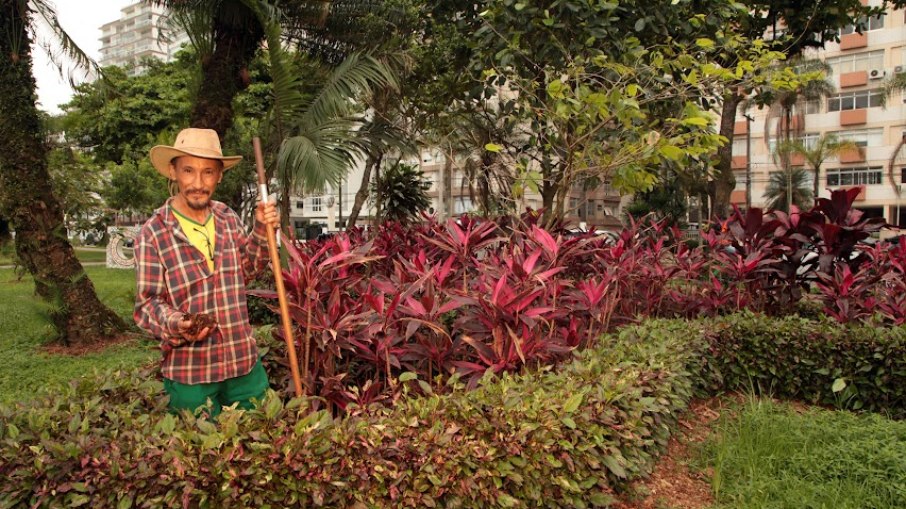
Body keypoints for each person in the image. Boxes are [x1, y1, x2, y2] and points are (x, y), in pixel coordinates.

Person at [134, 128, 278, 418]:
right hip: (191, 374)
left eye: (208, 172)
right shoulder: (154, 233)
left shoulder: (226, 217)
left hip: (243, 364)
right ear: (173, 172)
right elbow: (147, 305)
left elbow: (247, 270)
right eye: (188, 170)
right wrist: (179, 323)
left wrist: (262, 227)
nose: (198, 183)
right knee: (199, 454)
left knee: (263, 439)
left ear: (220, 176)